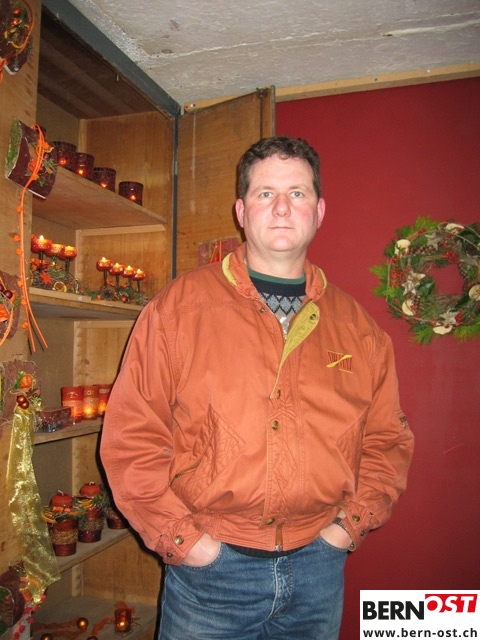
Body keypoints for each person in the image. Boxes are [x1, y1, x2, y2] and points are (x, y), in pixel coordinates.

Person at [100, 136, 414, 640]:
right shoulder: (178, 309)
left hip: (319, 572)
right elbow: (131, 436)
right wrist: (186, 542)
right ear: (242, 212)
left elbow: (386, 441)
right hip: (209, 576)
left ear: (319, 210)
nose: (282, 207)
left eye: (297, 193)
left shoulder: (359, 329)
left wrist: (347, 528)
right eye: (266, 194)